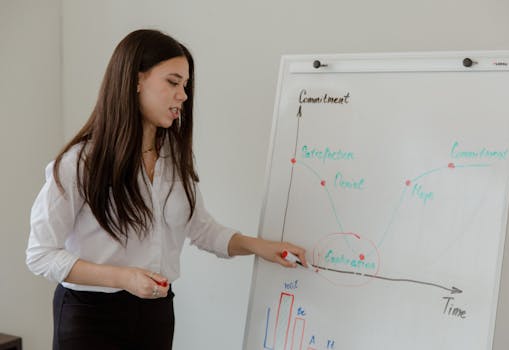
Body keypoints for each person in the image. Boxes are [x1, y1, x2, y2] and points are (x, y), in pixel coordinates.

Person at [26, 29, 307, 350]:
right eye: (173, 83)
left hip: (156, 312)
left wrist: (261, 247)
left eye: (185, 86)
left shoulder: (174, 157)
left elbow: (202, 230)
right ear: (135, 81)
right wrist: (123, 278)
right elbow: (40, 255)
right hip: (90, 315)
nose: (183, 96)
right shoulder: (79, 163)